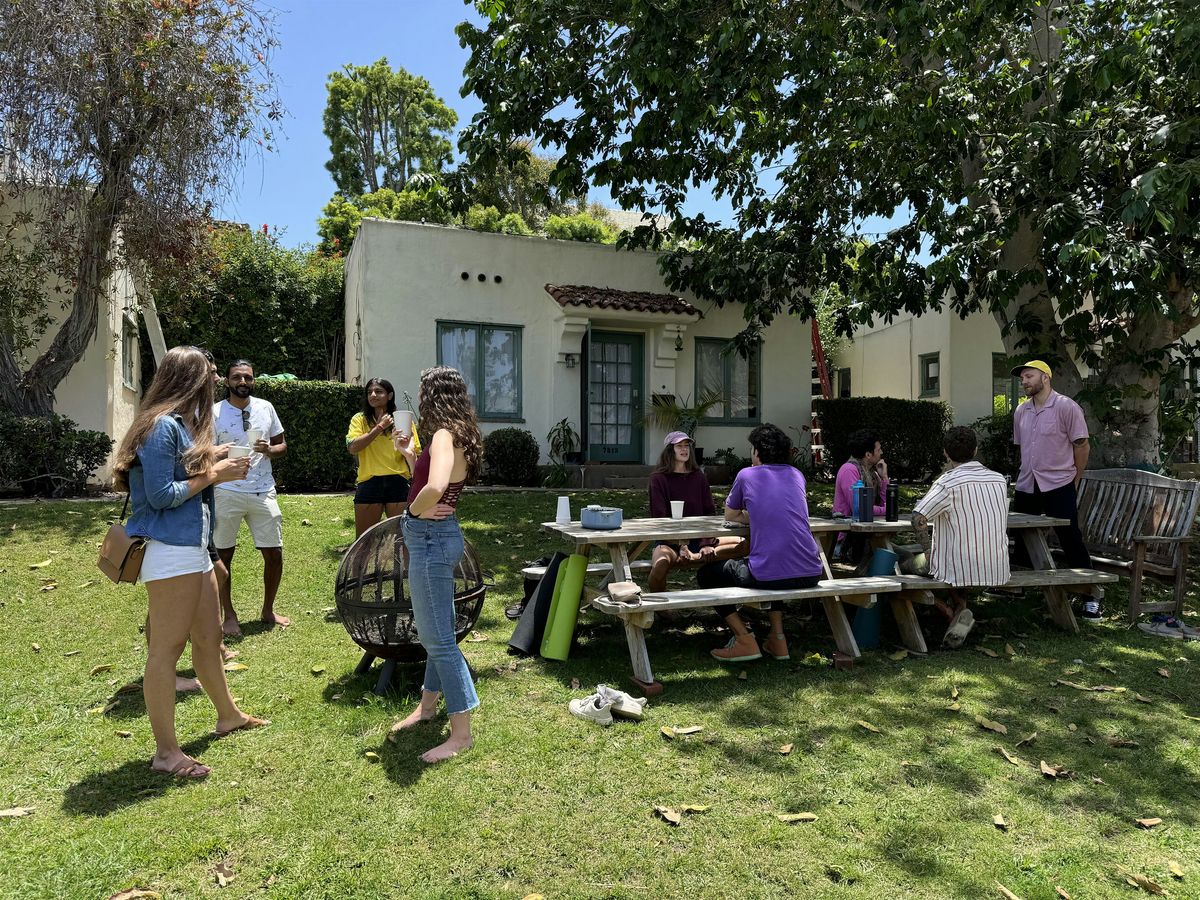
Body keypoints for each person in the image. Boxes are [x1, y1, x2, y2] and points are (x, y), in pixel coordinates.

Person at [113, 346, 268, 780]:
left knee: (208, 635)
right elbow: (163, 495)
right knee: (166, 651)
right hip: (169, 550)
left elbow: (183, 469)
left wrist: (214, 456)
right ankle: (166, 753)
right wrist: (216, 474)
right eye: (211, 375)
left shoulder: (178, 425)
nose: (216, 381)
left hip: (193, 549)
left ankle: (228, 716)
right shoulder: (161, 427)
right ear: (190, 379)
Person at [389, 366, 482, 763]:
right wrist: (411, 457)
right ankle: (428, 707)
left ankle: (461, 734)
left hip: (430, 540)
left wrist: (411, 512)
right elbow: (431, 481)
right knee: (438, 630)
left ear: (432, 396)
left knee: (438, 640)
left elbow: (436, 489)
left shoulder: (444, 435)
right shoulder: (458, 433)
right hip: (440, 536)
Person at [697, 423, 825, 662]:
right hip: (811, 571)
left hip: (770, 574)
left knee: (707, 575)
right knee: (772, 564)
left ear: (757, 451)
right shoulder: (796, 474)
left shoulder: (747, 475)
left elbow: (730, 515)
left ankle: (744, 639)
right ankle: (778, 640)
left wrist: (754, 514)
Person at [1009, 360, 1098, 619]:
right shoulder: (1021, 411)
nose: (1024, 381)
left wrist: (1075, 479)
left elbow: (1082, 446)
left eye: (1029, 376)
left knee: (1070, 537)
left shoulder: (1066, 407)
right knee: (1021, 536)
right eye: (1022, 378)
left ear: (1045, 377)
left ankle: (1089, 595)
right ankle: (1020, 588)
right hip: (1027, 483)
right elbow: (1022, 448)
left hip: (1059, 483)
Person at [911, 426, 1010, 647]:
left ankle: (947, 611)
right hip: (997, 566)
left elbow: (918, 518)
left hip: (957, 567)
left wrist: (927, 551)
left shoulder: (948, 482)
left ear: (946, 452)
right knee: (959, 557)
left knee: (901, 560)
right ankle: (961, 608)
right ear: (975, 450)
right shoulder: (998, 480)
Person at [212, 359, 288, 636]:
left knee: (274, 553)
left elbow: (283, 445)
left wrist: (269, 449)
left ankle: (268, 609)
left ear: (253, 380)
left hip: (262, 489)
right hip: (226, 489)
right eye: (236, 377)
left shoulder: (266, 407)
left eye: (247, 377)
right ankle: (228, 615)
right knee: (222, 555)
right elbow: (204, 449)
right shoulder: (214, 411)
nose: (242, 382)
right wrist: (220, 452)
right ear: (227, 381)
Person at [647, 431, 744, 592]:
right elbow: (659, 517)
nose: (684, 450)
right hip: (670, 541)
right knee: (660, 564)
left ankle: (741, 595)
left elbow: (709, 512)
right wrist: (680, 544)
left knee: (745, 543)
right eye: (679, 446)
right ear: (670, 450)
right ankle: (659, 608)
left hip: (700, 538)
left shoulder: (698, 476)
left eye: (687, 446)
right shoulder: (658, 479)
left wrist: (706, 543)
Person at [346, 377, 421, 538]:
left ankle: (400, 565)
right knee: (364, 540)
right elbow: (353, 447)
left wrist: (405, 447)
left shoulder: (403, 419)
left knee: (402, 539)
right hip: (369, 483)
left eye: (379, 391)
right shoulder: (359, 419)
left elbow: (415, 453)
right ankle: (362, 565)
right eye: (369, 392)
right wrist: (379, 427)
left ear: (390, 395)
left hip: (398, 481)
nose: (373, 395)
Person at [831, 429, 890, 564]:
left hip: (869, 536)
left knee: (897, 558)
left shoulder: (872, 473)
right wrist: (886, 510)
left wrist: (885, 478)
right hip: (848, 542)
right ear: (868, 454)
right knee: (892, 561)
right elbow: (861, 509)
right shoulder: (849, 470)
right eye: (879, 450)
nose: (881, 453)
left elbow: (884, 504)